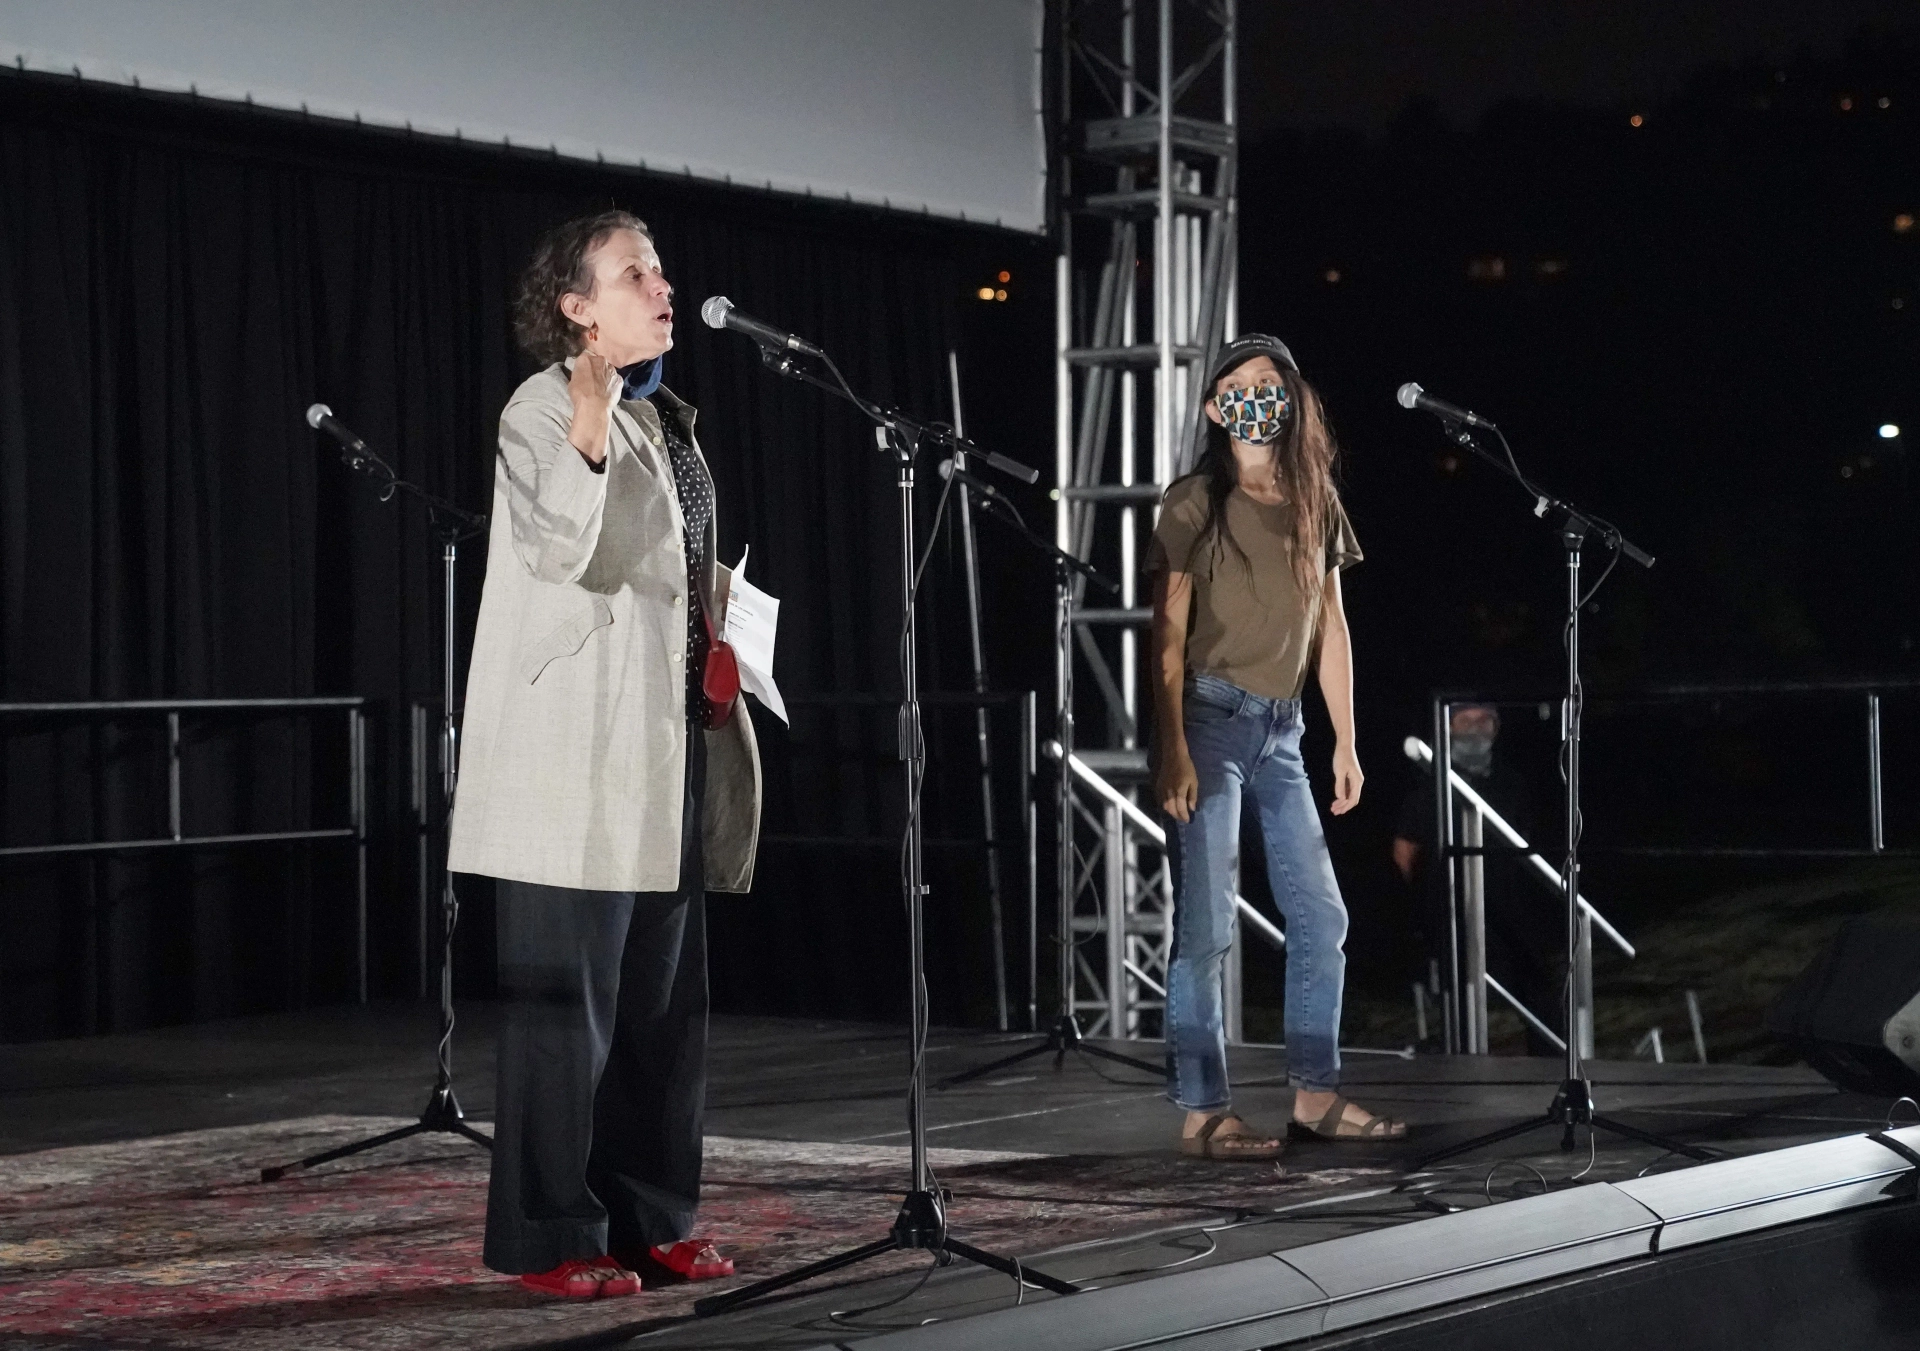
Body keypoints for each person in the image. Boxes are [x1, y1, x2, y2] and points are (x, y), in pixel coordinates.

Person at [446, 209, 762, 1298]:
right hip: (571, 767)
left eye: (663, 268)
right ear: (576, 306)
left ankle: (650, 1216)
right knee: (562, 1026)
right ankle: (550, 1234)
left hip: (664, 752)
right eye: (636, 273)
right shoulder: (540, 410)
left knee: (660, 1018)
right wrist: (585, 429)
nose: (663, 285)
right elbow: (560, 548)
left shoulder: (670, 415)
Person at [1149, 333, 1406, 1160]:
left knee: (1322, 913)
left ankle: (1315, 1094)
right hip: (1212, 718)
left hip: (1286, 730)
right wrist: (1172, 747)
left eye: (1274, 382)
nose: (1262, 394)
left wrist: (1349, 741)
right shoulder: (1193, 500)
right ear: (1217, 405)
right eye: (1245, 383)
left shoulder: (1314, 497)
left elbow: (1331, 624)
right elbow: (1167, 630)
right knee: (1208, 922)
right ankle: (1202, 1111)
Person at [1392, 703, 1559, 1055]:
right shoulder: (1431, 784)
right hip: (1452, 905)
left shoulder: (1512, 782)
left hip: (1512, 904)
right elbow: (1405, 850)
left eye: (1483, 720)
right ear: (1448, 728)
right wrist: (1429, 897)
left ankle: (1551, 1059)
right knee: (1459, 989)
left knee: (1537, 983)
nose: (1475, 727)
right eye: (1465, 720)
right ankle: (1462, 1056)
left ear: (1496, 728)